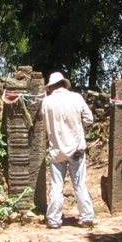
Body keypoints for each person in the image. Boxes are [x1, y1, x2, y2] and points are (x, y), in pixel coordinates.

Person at [42, 71, 95, 228]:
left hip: (57, 151)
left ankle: (54, 220)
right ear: (64, 84)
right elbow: (89, 119)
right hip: (76, 149)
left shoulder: (46, 102)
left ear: (51, 86)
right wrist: (77, 125)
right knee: (79, 184)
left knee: (56, 186)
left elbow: (45, 126)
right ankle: (86, 217)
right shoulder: (76, 98)